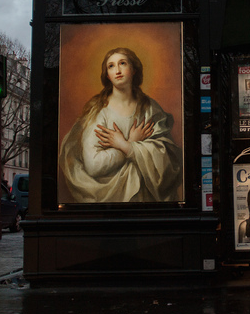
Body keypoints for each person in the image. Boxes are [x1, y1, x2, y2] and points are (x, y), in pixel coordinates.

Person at [59, 47, 181, 202]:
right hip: (109, 199)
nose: (117, 70)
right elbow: (93, 165)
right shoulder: (98, 112)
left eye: (122, 63)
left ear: (134, 69)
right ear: (107, 75)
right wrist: (129, 144)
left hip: (146, 201)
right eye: (111, 66)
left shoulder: (150, 109)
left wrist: (126, 146)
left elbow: (167, 160)